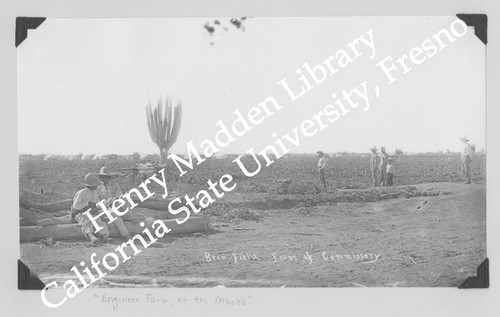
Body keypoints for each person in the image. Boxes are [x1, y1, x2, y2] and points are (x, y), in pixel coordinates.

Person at [71, 173, 112, 245]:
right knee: (86, 222)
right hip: (79, 213)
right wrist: (87, 204)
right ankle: (91, 236)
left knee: (99, 221)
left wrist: (97, 207)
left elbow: (96, 203)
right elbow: (76, 206)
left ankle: (104, 235)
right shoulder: (81, 193)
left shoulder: (94, 192)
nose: (96, 186)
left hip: (91, 212)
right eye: (95, 184)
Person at [97, 166, 133, 240]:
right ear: (100, 177)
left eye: (105, 177)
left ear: (108, 177)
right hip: (105, 209)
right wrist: (107, 202)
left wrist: (114, 200)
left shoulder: (114, 185)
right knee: (113, 213)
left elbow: (119, 195)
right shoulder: (97, 188)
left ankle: (129, 216)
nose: (103, 178)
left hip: (115, 205)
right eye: (102, 177)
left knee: (124, 197)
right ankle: (126, 234)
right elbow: (97, 202)